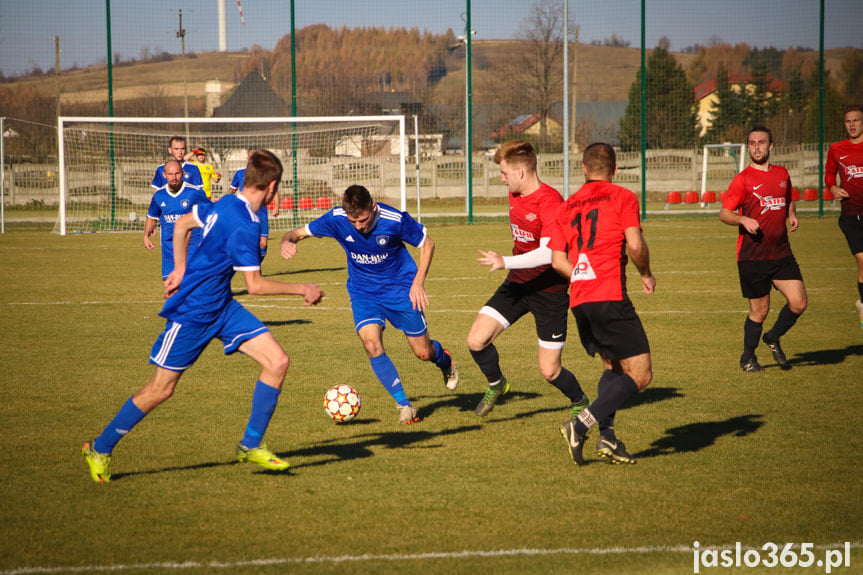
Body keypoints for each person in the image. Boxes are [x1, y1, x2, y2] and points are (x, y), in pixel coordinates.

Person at [82, 150, 324, 483]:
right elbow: (253, 286)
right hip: (193, 311)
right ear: (270, 187)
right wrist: (302, 288)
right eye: (277, 188)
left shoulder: (227, 203)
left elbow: (183, 224)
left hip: (222, 306)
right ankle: (100, 448)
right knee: (160, 390)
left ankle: (250, 444)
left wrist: (180, 267)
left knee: (277, 361)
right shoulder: (244, 226)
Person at [279, 184, 458, 425]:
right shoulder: (336, 219)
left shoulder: (394, 220)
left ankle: (444, 359)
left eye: (363, 220)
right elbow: (295, 233)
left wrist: (418, 282)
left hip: (401, 291)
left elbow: (428, 244)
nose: (359, 227)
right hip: (363, 293)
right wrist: (286, 242)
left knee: (423, 353)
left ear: (373, 207)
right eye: (354, 222)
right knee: (371, 344)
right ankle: (404, 405)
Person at [466, 139, 588, 421]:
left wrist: (504, 262)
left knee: (550, 371)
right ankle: (498, 385)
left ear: (521, 172)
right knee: (476, 340)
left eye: (505, 173)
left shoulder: (550, 202)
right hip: (519, 282)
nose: (501, 178)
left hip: (549, 290)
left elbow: (548, 254)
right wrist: (510, 267)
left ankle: (580, 400)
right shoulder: (516, 194)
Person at [549, 142, 654, 466]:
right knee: (641, 374)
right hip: (610, 295)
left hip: (581, 301)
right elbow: (634, 244)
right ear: (615, 168)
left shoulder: (567, 207)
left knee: (613, 366)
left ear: (583, 169)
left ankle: (607, 438)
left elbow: (557, 260)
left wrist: (581, 276)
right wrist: (646, 272)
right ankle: (580, 425)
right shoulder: (622, 197)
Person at [719, 126, 807, 372]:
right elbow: (724, 213)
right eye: (752, 143)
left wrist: (791, 215)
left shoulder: (782, 174)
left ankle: (772, 337)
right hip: (753, 256)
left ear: (771, 146)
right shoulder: (743, 179)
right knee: (760, 310)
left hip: (781, 253)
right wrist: (743, 220)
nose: (756, 147)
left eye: (761, 142)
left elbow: (788, 199)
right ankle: (748, 357)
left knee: (799, 303)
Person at [825, 104, 863, 330]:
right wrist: (832, 188)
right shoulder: (837, 149)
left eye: (856, 120)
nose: (852, 124)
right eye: (848, 121)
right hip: (851, 216)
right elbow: (830, 175)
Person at [143, 159, 210, 280]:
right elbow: (152, 217)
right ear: (164, 175)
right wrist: (146, 236)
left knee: (191, 286)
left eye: (177, 173)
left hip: (192, 247)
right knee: (172, 288)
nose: (174, 177)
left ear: (183, 173)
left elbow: (210, 214)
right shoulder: (159, 195)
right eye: (170, 174)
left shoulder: (194, 192)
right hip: (169, 249)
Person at [231, 149, 279, 260]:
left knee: (263, 244)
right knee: (247, 242)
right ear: (247, 159)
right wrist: (224, 200)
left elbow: (274, 191)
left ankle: (256, 265)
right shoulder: (239, 173)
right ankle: (252, 268)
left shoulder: (265, 174)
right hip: (244, 212)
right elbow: (232, 190)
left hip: (261, 212)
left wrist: (276, 206)